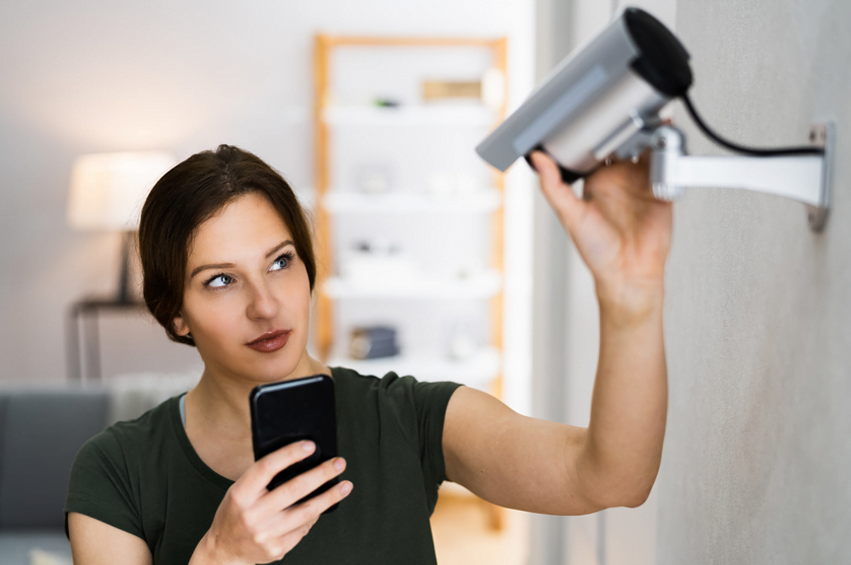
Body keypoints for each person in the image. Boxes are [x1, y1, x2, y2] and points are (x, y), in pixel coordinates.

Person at [65, 144, 671, 565]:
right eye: (221, 280)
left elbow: (611, 477)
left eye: (281, 262)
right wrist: (222, 555)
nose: (267, 305)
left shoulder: (406, 417)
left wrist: (632, 300)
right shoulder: (116, 471)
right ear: (175, 312)